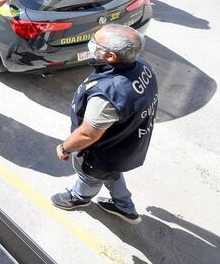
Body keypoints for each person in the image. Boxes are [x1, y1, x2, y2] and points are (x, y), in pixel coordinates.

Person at [51, 25, 157, 224]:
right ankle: (125, 207)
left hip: (100, 153)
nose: (91, 44)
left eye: (95, 43)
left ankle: (79, 198)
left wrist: (64, 147)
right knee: (112, 173)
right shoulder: (142, 66)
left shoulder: (109, 92)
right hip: (123, 145)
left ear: (111, 57)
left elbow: (88, 135)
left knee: (89, 177)